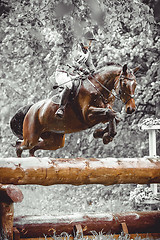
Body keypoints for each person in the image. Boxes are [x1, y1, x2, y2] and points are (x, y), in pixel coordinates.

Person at [55, 34, 96, 119]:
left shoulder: (88, 53)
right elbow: (71, 61)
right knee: (69, 85)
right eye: (89, 41)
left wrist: (95, 73)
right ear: (83, 39)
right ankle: (61, 108)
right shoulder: (75, 48)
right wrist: (81, 68)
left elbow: (90, 65)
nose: (90, 43)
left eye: (91, 41)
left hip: (75, 75)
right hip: (63, 72)